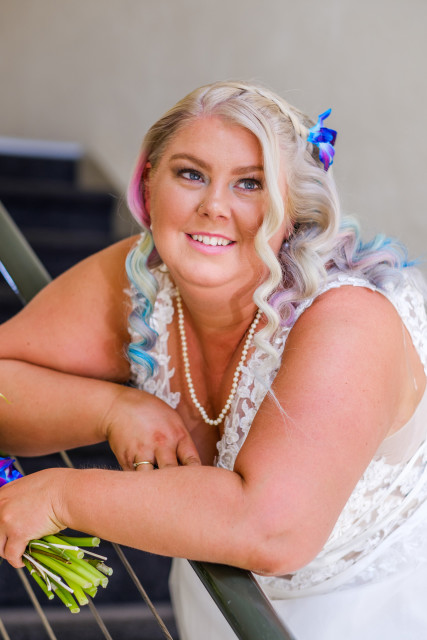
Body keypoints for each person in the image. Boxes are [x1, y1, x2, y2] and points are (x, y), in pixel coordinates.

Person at [0, 80, 426, 640]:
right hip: (214, 595)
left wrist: (61, 496)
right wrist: (112, 409)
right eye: (190, 174)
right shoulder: (142, 281)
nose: (214, 206)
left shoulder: (348, 319)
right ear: (148, 183)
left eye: (251, 183)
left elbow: (270, 529)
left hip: (378, 611)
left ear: (294, 208)